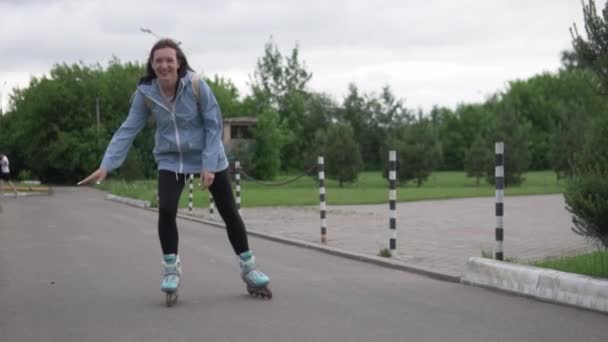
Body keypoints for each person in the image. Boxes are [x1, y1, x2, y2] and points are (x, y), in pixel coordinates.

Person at [78, 39, 271, 300]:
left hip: (207, 154)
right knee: (167, 209)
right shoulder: (146, 93)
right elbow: (128, 129)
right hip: (171, 159)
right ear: (152, 65)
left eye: (169, 60)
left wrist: (209, 164)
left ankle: (249, 268)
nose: (164, 65)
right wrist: (106, 165)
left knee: (229, 212)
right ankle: (171, 268)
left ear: (178, 62)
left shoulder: (195, 85)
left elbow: (214, 125)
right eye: (159, 60)